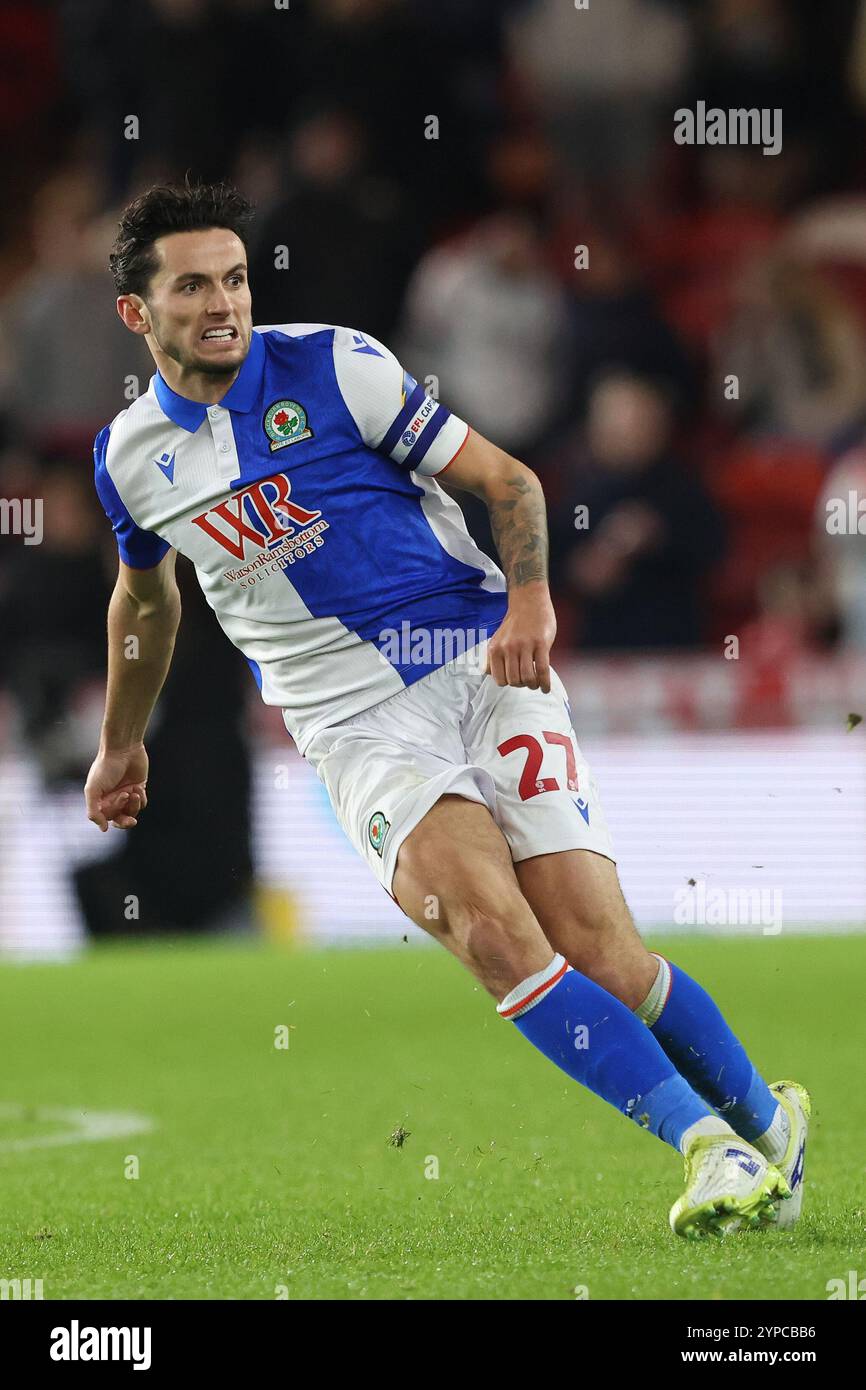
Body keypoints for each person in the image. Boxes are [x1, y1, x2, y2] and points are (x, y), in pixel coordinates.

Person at [84, 179, 808, 1239]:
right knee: (492, 935)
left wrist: (529, 603)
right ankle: (710, 1149)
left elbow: (507, 483)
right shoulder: (129, 462)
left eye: (233, 278)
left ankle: (765, 1120)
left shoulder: (338, 365)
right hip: (356, 730)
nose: (222, 302)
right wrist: (119, 741)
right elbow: (144, 599)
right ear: (136, 314)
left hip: (481, 666)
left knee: (601, 954)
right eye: (191, 286)